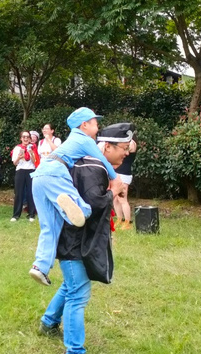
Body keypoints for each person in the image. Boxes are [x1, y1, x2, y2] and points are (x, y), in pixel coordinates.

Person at [38, 123, 132, 354]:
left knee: (72, 285)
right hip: (75, 241)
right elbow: (89, 206)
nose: (126, 153)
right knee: (78, 293)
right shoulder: (93, 167)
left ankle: (48, 322)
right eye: (123, 148)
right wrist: (113, 192)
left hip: (74, 240)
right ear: (106, 146)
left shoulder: (87, 162)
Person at [29, 108, 120, 286]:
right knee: (84, 211)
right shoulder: (84, 139)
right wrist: (115, 179)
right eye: (95, 123)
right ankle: (79, 210)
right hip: (56, 172)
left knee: (50, 226)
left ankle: (40, 266)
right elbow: (102, 160)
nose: (98, 128)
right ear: (84, 125)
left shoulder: (71, 140)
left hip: (39, 176)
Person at [11, 131, 38, 222]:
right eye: (24, 137)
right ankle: (16, 215)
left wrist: (31, 153)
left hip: (31, 170)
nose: (26, 139)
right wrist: (19, 157)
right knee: (19, 193)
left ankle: (31, 214)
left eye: (27, 137)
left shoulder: (33, 147)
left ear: (30, 139)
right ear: (21, 138)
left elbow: (35, 162)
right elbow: (15, 163)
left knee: (31, 192)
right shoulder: (17, 148)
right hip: (20, 170)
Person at [113, 137, 137, 230]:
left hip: (124, 173)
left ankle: (128, 222)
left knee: (122, 198)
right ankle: (120, 219)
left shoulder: (132, 143)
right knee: (115, 199)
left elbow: (126, 149)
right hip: (117, 173)